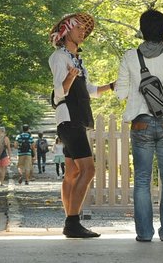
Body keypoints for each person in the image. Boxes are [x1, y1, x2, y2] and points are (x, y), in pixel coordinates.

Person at [115, 9, 163, 243]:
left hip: (140, 123)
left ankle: (144, 234)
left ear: (142, 30)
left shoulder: (130, 56)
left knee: (142, 179)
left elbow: (120, 93)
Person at [49, 12, 115, 238]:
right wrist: (70, 76)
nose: (83, 31)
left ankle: (70, 219)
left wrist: (112, 86)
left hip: (73, 118)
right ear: (66, 30)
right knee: (88, 170)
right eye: (79, 28)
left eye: (85, 29)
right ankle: (73, 221)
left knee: (72, 171)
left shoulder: (75, 59)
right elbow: (60, 90)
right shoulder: (60, 57)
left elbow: (89, 91)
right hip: (69, 118)